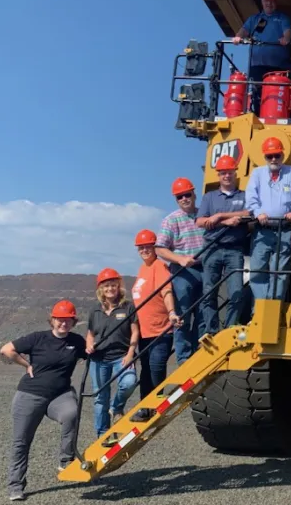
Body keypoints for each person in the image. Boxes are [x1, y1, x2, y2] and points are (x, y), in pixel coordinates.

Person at [2, 300, 86, 501]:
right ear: (52, 319)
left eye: (68, 320)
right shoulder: (38, 338)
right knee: (21, 441)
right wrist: (25, 364)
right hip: (30, 395)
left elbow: (94, 353)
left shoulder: (77, 341)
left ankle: (66, 459)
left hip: (60, 395)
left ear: (73, 321)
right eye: (59, 319)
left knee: (71, 412)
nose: (63, 323)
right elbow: (6, 350)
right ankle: (16, 486)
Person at [245, 137, 291, 302]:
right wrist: (258, 212)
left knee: (279, 271)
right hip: (262, 230)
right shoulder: (257, 173)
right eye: (270, 156)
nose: (273, 159)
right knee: (257, 269)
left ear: (282, 155)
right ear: (265, 157)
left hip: (284, 229)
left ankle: (275, 305)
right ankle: (262, 304)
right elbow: (251, 196)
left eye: (277, 155)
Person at [196, 154, 252, 333]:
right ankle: (212, 331)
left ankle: (228, 329)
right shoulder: (209, 197)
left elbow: (248, 213)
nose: (226, 176)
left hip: (234, 250)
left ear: (235, 173)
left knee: (236, 292)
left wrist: (219, 216)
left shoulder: (244, 196)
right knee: (208, 293)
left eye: (229, 172)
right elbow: (200, 221)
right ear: (218, 176)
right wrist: (226, 222)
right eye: (222, 173)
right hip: (212, 248)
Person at [130, 229, 181, 422]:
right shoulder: (143, 269)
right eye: (141, 248)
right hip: (144, 332)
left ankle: (156, 405)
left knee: (156, 367)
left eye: (148, 247)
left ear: (155, 248)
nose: (144, 250)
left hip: (160, 330)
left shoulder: (160, 267)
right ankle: (145, 407)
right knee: (146, 369)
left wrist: (171, 312)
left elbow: (166, 291)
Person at [155, 177, 205, 364]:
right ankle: (184, 359)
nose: (184, 198)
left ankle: (198, 356)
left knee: (203, 314)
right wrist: (180, 259)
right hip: (183, 272)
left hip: (205, 269)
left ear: (194, 194)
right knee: (182, 315)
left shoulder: (203, 216)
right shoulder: (171, 220)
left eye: (187, 194)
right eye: (180, 196)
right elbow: (159, 248)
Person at [86, 268, 138, 438]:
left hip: (121, 356)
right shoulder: (95, 310)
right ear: (101, 288)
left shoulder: (127, 307)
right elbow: (91, 333)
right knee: (101, 397)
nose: (110, 289)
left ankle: (116, 407)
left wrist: (130, 353)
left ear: (119, 286)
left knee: (129, 382)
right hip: (99, 359)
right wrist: (89, 345)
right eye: (106, 285)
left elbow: (135, 331)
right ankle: (103, 434)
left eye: (113, 285)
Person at [232, 0, 291, 110]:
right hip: (257, 65)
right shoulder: (254, 19)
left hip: (277, 66)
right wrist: (238, 37)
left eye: (271, 0)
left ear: (275, 2)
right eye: (266, 0)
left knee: (275, 95)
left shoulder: (282, 18)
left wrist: (286, 39)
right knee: (257, 92)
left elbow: (288, 32)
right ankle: (258, 112)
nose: (269, 3)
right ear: (262, 1)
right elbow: (244, 30)